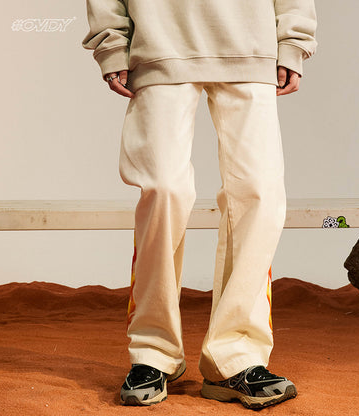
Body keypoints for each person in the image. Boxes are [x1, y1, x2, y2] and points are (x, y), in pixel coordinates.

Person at [82, 0, 317, 409]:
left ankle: (237, 356)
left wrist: (293, 39)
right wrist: (112, 43)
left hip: (250, 38)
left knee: (259, 194)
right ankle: (153, 352)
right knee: (163, 191)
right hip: (159, 37)